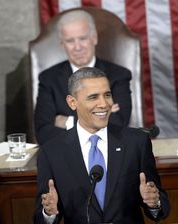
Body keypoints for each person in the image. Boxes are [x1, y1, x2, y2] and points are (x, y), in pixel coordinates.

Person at [33, 67, 169, 224]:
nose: (104, 104)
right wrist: (49, 212)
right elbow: (40, 222)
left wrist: (154, 202)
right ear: (72, 102)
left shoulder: (135, 142)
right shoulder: (52, 152)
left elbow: (161, 207)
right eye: (93, 97)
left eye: (107, 95)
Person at [34, 9, 132, 145]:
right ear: (62, 44)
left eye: (83, 38)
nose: (77, 47)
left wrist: (67, 121)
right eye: (70, 41)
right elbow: (43, 132)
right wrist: (98, 117)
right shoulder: (48, 79)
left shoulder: (119, 75)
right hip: (66, 158)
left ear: (94, 38)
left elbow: (118, 124)